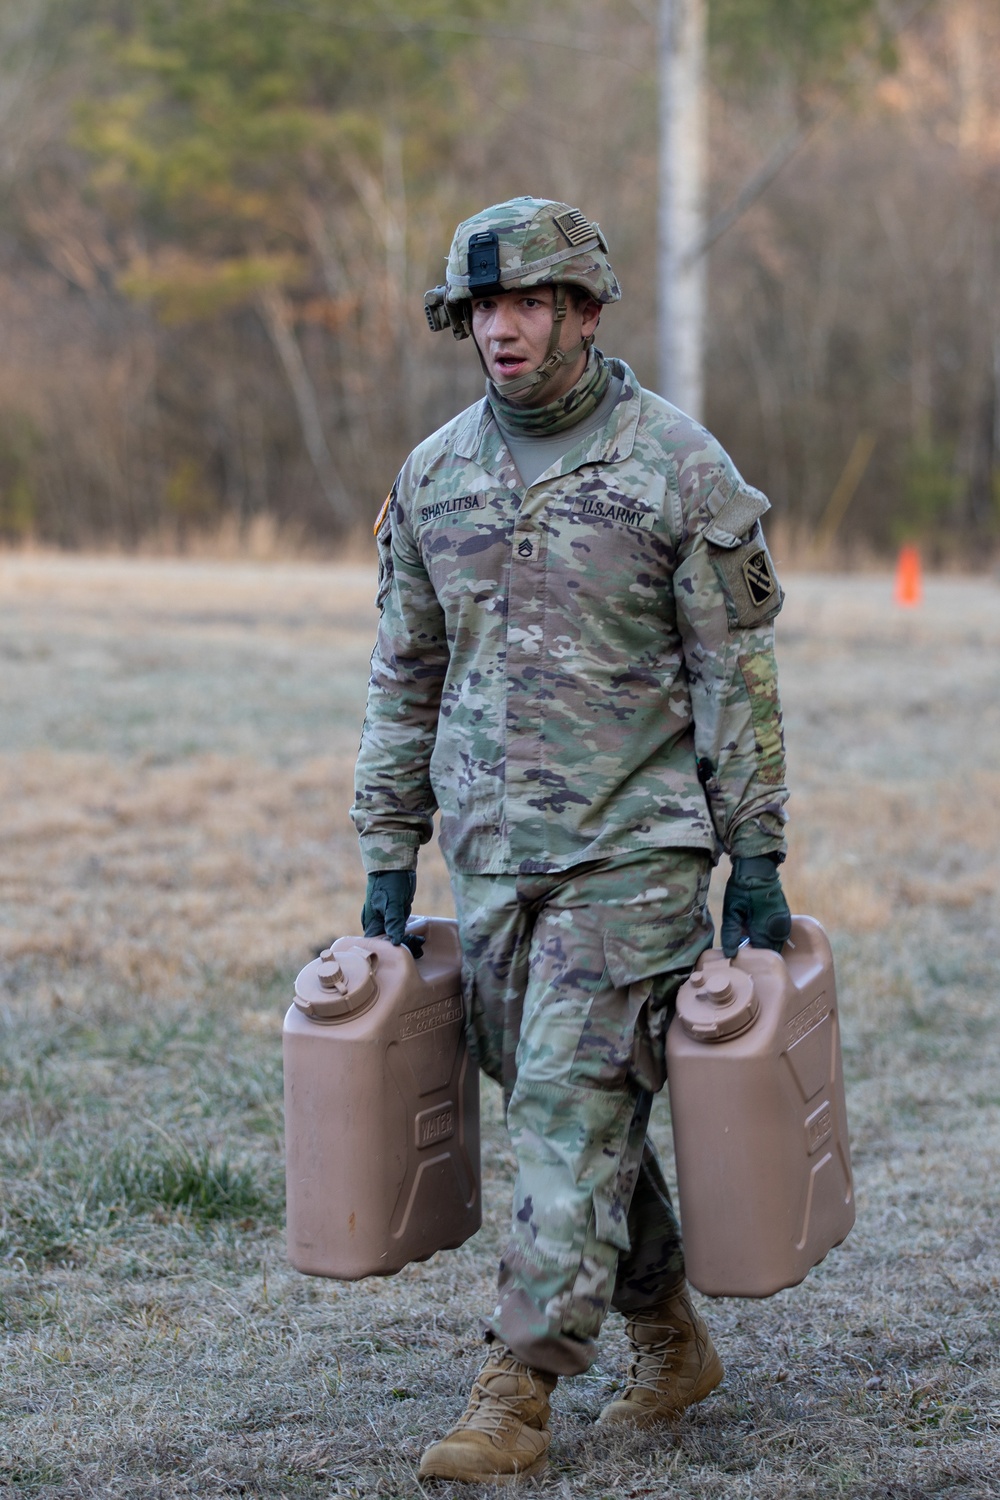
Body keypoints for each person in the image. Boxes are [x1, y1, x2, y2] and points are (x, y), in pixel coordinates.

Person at [351, 196, 791, 1483]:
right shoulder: (434, 477)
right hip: (490, 857)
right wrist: (387, 850)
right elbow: (403, 677)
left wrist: (754, 853)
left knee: (565, 1100)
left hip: (636, 853)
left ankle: (516, 1387)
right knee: (564, 1104)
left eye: (530, 303)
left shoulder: (678, 468)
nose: (503, 328)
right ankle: (666, 1334)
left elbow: (734, 677)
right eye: (483, 306)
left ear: (585, 313)